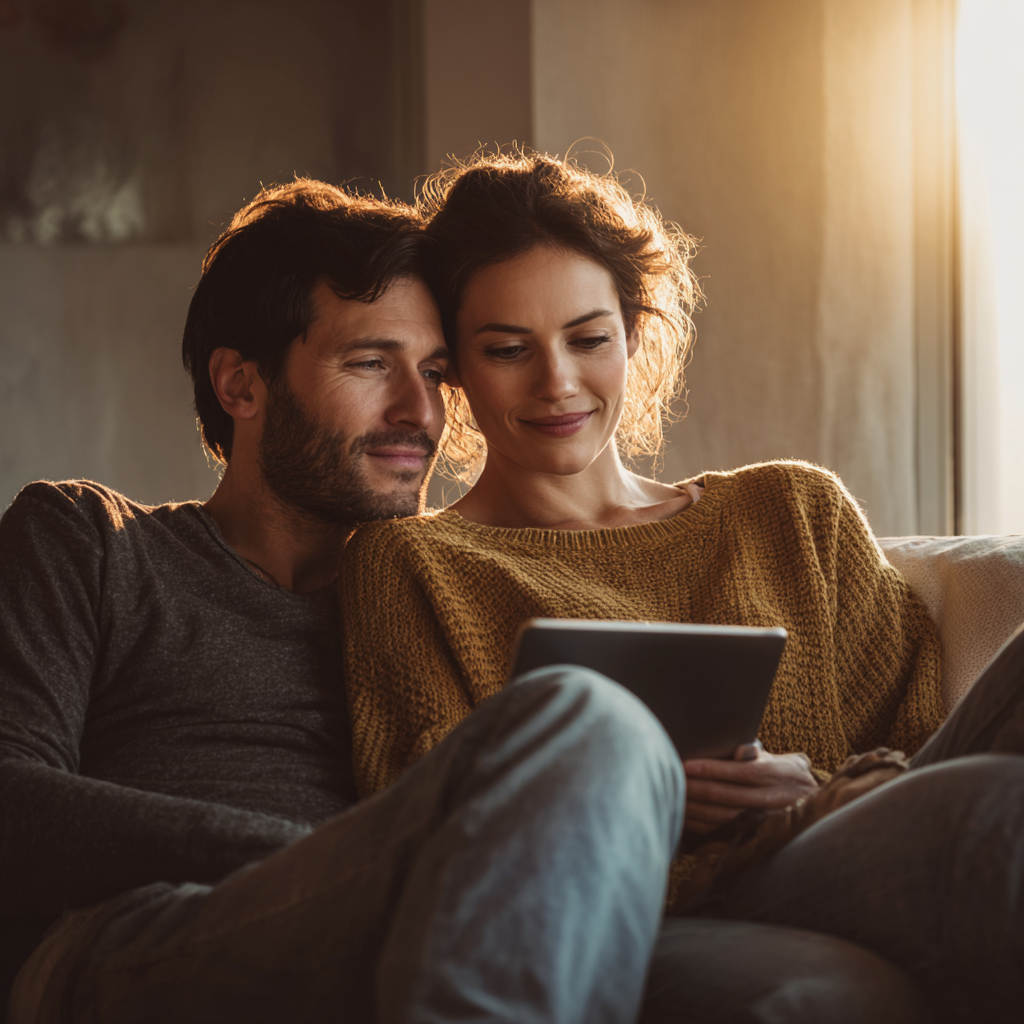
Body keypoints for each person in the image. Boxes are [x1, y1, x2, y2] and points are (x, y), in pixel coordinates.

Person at [0, 177, 926, 1024]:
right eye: (371, 364)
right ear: (241, 382)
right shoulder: (90, 539)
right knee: (584, 720)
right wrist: (366, 856)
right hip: (147, 943)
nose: (422, 412)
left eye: (437, 373)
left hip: (443, 927)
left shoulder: (429, 583)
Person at [340, 151, 1024, 1022]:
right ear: (458, 372)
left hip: (843, 843)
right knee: (1001, 819)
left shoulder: (792, 511)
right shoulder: (412, 565)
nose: (557, 383)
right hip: (649, 907)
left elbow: (927, 747)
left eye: (589, 338)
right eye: (508, 350)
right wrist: (655, 806)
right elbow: (425, 821)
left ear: (632, 334)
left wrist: (806, 790)